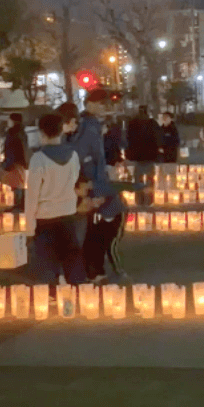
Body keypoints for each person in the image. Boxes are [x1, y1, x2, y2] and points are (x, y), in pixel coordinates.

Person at [68, 89, 126, 282]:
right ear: (90, 104)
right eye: (102, 103)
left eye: (108, 104)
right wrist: (92, 188)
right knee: (101, 230)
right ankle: (94, 271)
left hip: (97, 185)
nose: (106, 107)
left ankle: (95, 270)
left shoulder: (93, 125)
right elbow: (83, 157)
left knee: (96, 232)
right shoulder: (88, 127)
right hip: (95, 188)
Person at [24, 112, 85, 283]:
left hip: (45, 217)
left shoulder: (38, 158)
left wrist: (29, 227)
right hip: (68, 214)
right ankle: (77, 294)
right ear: (61, 131)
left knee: (47, 261)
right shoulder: (73, 156)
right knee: (71, 257)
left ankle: (51, 298)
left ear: (41, 133)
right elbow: (74, 181)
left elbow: (32, 195)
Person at [125, 105, 161, 206]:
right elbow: (158, 138)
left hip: (138, 156)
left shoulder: (133, 123)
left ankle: (139, 201)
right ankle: (149, 200)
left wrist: (129, 154)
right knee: (149, 180)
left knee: (138, 179)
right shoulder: (152, 123)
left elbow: (128, 139)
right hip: (150, 156)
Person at [1, 113, 29, 212]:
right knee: (19, 184)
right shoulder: (22, 132)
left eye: (9, 119)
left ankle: (16, 205)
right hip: (21, 162)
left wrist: (8, 163)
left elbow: (11, 149)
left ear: (13, 121)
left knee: (14, 185)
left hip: (14, 161)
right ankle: (20, 204)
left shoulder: (13, 133)